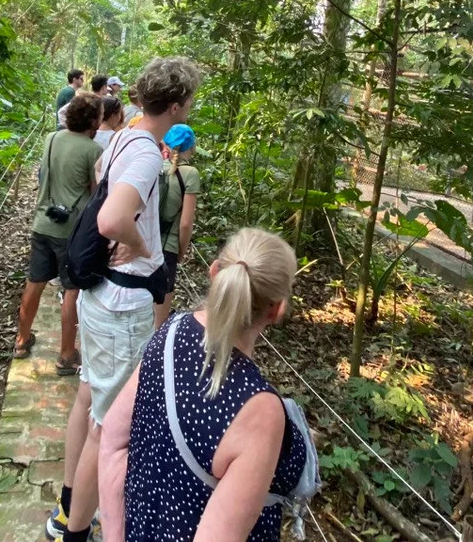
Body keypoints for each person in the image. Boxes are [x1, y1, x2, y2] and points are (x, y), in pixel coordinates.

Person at [48, 56, 202, 542]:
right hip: (122, 302)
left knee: (90, 397)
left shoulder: (126, 135)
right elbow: (112, 220)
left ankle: (71, 504)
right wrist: (137, 244)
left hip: (102, 297)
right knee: (109, 428)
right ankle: (74, 530)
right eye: (190, 101)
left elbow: (100, 174)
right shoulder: (144, 152)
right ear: (176, 105)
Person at [99, 228, 309, 542]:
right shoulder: (260, 411)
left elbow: (113, 446)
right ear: (276, 310)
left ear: (214, 272)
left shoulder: (171, 331)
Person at [15, 95, 103, 374]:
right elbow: (95, 191)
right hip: (71, 229)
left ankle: (21, 340)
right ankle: (66, 354)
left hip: (42, 222)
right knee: (71, 289)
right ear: (92, 120)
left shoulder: (51, 139)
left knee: (35, 281)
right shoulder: (94, 150)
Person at [153, 124, 202, 328]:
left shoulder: (155, 166)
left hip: (145, 243)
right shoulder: (190, 173)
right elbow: (185, 223)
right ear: (188, 147)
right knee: (159, 318)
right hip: (167, 248)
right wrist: (181, 250)